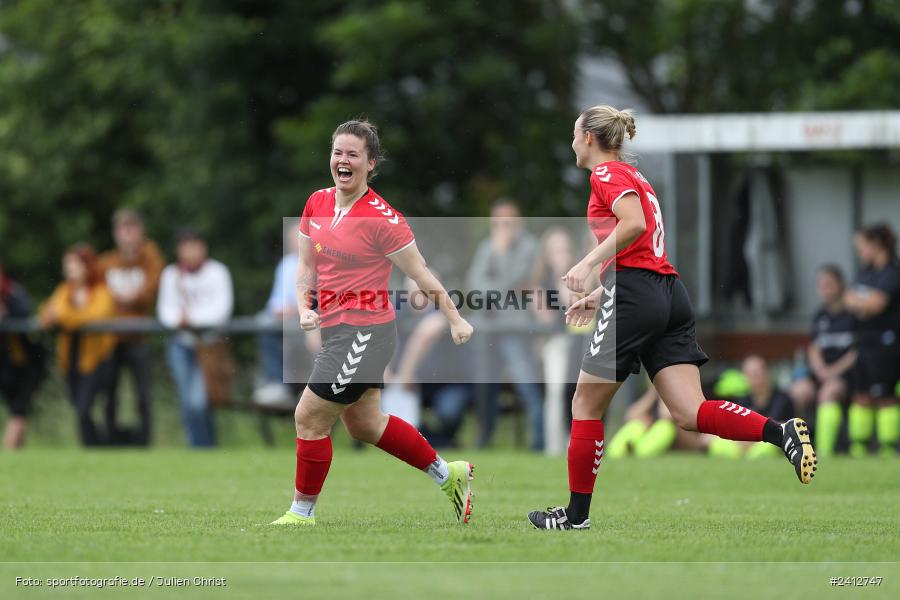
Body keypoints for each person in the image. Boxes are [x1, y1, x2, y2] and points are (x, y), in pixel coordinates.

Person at [528, 106, 816, 531]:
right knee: (689, 412)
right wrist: (599, 294)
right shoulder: (634, 176)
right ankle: (781, 433)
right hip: (666, 294)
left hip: (637, 294)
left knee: (584, 405)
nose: (571, 141)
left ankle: (575, 516)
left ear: (589, 137)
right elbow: (642, 250)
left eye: (573, 133)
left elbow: (633, 225)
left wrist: (589, 265)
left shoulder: (606, 175)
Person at [270, 120, 475, 527]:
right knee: (365, 424)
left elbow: (421, 274)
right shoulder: (317, 202)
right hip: (335, 330)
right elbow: (305, 267)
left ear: (370, 164)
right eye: (337, 153)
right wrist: (304, 306)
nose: (342, 161)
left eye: (352, 155)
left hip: (366, 332)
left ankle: (301, 513)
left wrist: (454, 318)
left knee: (308, 417)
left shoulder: (384, 220)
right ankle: (448, 475)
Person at [466, 199, 545, 450]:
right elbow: (474, 285)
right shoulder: (486, 246)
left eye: (507, 222)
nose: (502, 227)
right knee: (484, 387)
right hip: (488, 328)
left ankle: (539, 442)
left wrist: (499, 256)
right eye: (497, 222)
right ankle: (484, 440)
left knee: (527, 385)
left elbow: (518, 281)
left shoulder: (530, 247)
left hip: (517, 328)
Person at [157, 229, 233, 447]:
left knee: (199, 400)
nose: (190, 251)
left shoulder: (218, 272)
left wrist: (189, 319)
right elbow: (166, 311)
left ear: (203, 248)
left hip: (209, 344)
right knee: (187, 401)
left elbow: (221, 310)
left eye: (194, 245)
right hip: (180, 344)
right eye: (185, 246)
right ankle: (198, 447)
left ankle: (205, 446)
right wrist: (179, 321)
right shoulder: (171, 274)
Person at [98, 208, 164, 445]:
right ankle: (110, 440)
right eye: (122, 229)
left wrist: (124, 299)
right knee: (109, 392)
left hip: (139, 337)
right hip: (111, 338)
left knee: (143, 394)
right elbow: (100, 296)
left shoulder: (149, 257)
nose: (127, 234)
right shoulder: (106, 262)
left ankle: (144, 440)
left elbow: (150, 289)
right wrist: (122, 299)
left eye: (132, 228)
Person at [39, 244, 116, 446]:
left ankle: (96, 446)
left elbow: (95, 316)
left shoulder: (100, 291)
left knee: (84, 407)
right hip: (70, 357)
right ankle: (96, 446)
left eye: (74, 264)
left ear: (87, 266)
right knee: (78, 407)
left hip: (94, 358)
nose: (69, 269)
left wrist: (65, 315)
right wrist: (70, 313)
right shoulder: (64, 290)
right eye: (67, 264)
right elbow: (45, 317)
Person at [844, 224, 900, 457]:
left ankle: (888, 448)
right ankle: (859, 447)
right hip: (864, 342)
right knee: (861, 395)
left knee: (885, 396)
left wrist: (863, 303)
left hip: (885, 343)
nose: (860, 252)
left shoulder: (892, 271)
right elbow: (848, 299)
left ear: (876, 244)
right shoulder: (865, 271)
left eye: (863, 247)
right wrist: (863, 304)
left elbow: (878, 304)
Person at [790, 265, 856, 457]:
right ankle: (797, 447)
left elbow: (856, 352)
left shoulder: (854, 315)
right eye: (822, 285)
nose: (825, 289)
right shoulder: (820, 316)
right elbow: (814, 347)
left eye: (829, 284)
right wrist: (820, 369)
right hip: (822, 373)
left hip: (846, 376)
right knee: (798, 391)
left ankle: (823, 452)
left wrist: (832, 371)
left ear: (840, 285)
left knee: (829, 392)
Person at [254, 217, 321, 408]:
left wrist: (301, 309)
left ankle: (316, 385)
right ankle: (275, 382)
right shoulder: (285, 264)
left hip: (313, 320)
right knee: (263, 321)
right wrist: (282, 309)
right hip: (291, 320)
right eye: (292, 238)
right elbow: (277, 300)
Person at [0, 260, 44, 449]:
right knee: (16, 410)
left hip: (29, 363)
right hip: (5, 364)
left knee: (19, 409)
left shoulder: (14, 293)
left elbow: (26, 312)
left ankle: (7, 453)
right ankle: (18, 453)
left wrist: (6, 315)